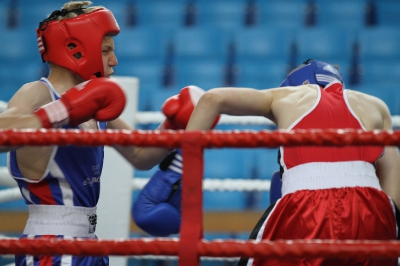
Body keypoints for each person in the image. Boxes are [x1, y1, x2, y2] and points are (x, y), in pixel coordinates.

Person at [0, 1, 205, 265]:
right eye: (106, 50)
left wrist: (172, 127)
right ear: (75, 49)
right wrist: (63, 110)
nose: (114, 60)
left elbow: (140, 154)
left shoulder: (96, 105)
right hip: (51, 242)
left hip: (89, 241)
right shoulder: (39, 94)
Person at [137, 59, 400, 265]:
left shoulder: (289, 96)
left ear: (298, 83)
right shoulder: (377, 106)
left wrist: (183, 165)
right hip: (373, 212)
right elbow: (394, 193)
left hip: (307, 206)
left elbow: (211, 99)